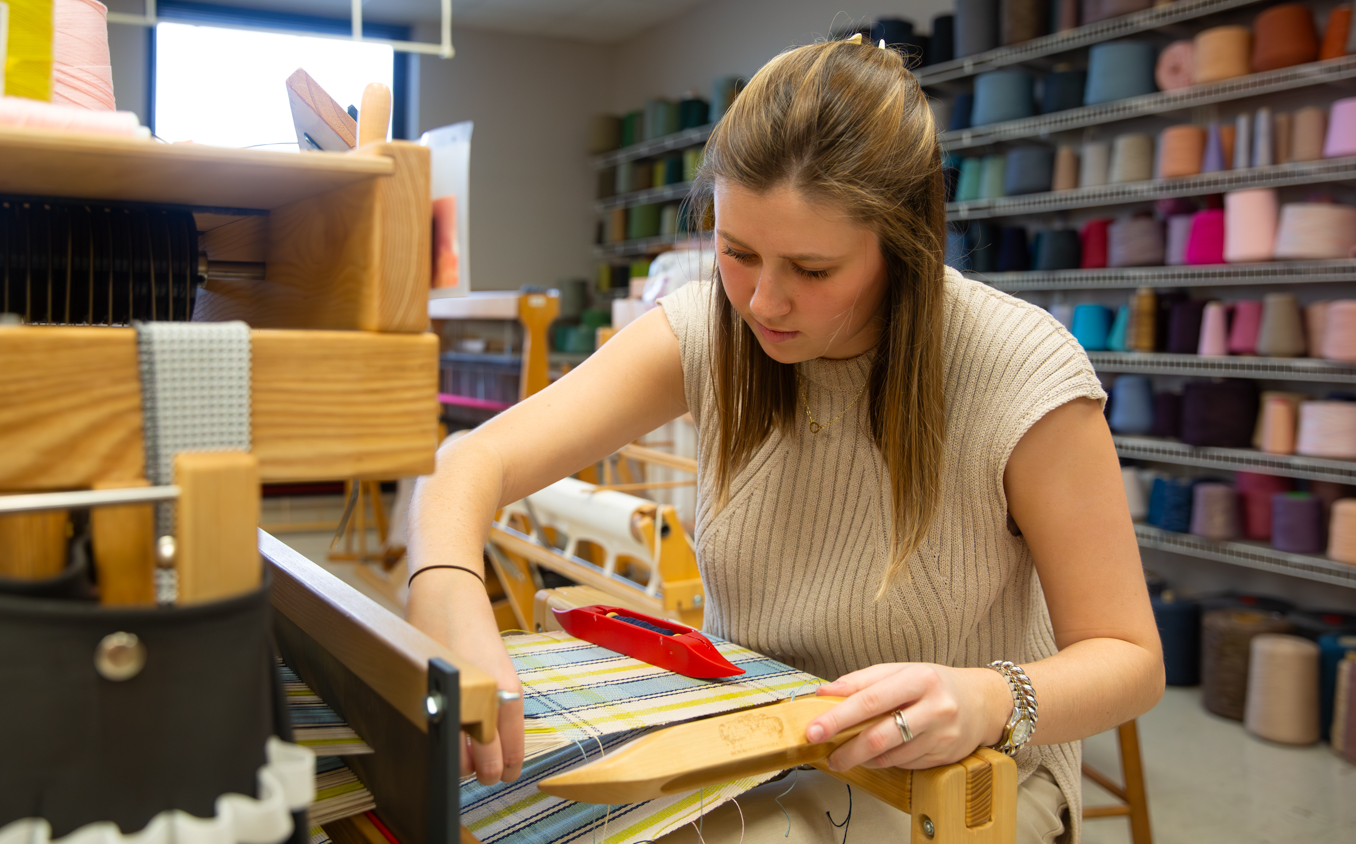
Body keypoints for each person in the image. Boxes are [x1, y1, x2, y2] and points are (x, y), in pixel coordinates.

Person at [406, 37, 1164, 843]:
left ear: (903, 245)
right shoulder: (711, 329)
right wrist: (447, 587)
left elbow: (1129, 657)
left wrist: (990, 696)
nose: (764, 302)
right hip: (757, 748)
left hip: (962, 783)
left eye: (812, 268)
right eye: (737, 253)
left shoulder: (1020, 369)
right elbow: (471, 461)